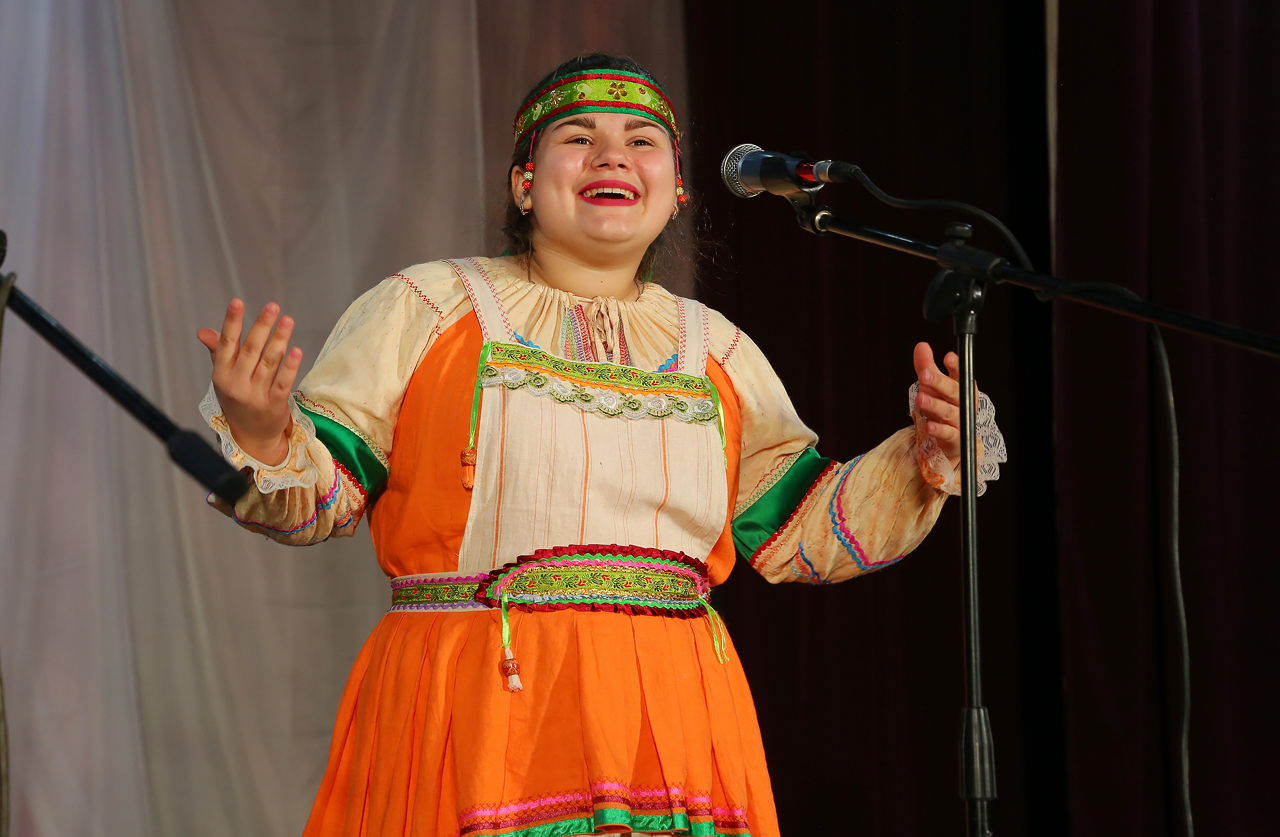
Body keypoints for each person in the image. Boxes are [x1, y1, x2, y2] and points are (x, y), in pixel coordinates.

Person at [196, 53, 1005, 837]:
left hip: (673, 724)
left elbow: (798, 527)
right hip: (480, 713)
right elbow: (325, 494)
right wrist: (264, 430)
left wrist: (924, 454)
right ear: (524, 182)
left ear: (676, 190)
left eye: (641, 140)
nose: (612, 154)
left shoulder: (716, 349)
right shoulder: (426, 306)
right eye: (579, 136)